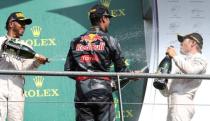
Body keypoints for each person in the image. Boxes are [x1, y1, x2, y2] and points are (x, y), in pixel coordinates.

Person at [64, 4, 130, 121]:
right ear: (103, 18)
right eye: (108, 18)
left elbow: (68, 70)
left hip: (82, 94)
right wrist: (126, 77)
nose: (109, 22)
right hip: (103, 93)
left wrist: (85, 78)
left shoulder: (76, 41)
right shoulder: (111, 40)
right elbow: (123, 71)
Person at [0, 12, 48, 121]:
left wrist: (37, 62)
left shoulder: (27, 46)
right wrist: (8, 46)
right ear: (11, 24)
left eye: (25, 24)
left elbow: (25, 70)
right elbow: (4, 46)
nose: (24, 26)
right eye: (21, 23)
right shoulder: (0, 41)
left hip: (16, 87)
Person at [162, 33, 207, 121]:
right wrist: (161, 83)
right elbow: (167, 93)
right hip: (172, 104)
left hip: (182, 103)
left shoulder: (200, 58)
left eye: (183, 40)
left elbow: (191, 71)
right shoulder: (182, 64)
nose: (180, 44)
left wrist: (174, 55)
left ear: (193, 43)